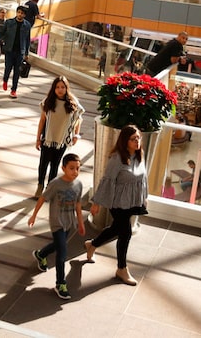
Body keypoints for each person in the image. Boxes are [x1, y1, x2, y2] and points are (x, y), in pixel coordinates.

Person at [84, 125, 147, 286]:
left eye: (138, 137)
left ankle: (92, 244)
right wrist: (97, 203)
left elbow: (142, 179)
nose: (137, 141)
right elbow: (107, 180)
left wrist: (143, 198)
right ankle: (121, 269)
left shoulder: (139, 155)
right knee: (125, 232)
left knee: (116, 229)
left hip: (131, 201)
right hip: (118, 202)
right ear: (125, 141)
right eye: (133, 139)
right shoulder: (117, 158)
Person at [28, 153, 85, 300]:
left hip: (69, 222)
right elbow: (43, 198)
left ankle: (41, 254)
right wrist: (33, 215)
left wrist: (80, 223)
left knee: (58, 245)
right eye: (71, 168)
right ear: (63, 168)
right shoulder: (55, 184)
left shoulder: (79, 185)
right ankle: (60, 283)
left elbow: (78, 204)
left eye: (78, 168)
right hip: (57, 222)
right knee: (62, 253)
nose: (75, 172)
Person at [34, 76, 84, 199]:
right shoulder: (48, 102)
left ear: (67, 88)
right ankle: (40, 185)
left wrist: (76, 134)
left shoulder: (72, 103)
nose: (60, 90)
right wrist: (38, 138)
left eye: (63, 87)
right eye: (57, 87)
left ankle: (49, 189)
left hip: (62, 140)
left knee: (55, 165)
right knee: (43, 164)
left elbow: (78, 119)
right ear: (53, 88)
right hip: (48, 139)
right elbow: (42, 121)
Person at [0, 5, 31, 99]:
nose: (20, 14)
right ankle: (5, 80)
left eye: (22, 13)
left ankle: (14, 90)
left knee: (17, 71)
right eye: (19, 12)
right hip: (9, 49)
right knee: (8, 68)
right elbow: (2, 33)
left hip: (20, 51)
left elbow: (27, 40)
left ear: (24, 15)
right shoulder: (9, 22)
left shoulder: (27, 25)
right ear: (16, 13)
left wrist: (26, 53)